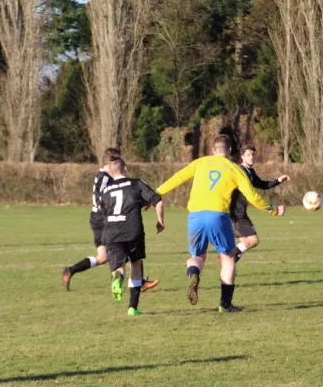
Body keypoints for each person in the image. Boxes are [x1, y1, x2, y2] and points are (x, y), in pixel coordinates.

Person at [156, 135, 285, 313]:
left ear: (212, 150)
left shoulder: (200, 162)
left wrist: (155, 194)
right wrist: (273, 210)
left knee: (198, 257)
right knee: (228, 257)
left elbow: (177, 178)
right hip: (218, 215)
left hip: (195, 215)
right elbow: (253, 197)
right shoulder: (235, 170)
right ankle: (225, 304)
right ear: (230, 151)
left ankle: (193, 274)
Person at [61, 148, 159, 292]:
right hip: (103, 218)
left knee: (102, 257)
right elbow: (98, 199)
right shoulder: (105, 176)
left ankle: (70, 270)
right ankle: (138, 281)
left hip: (100, 218)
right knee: (128, 245)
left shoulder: (106, 175)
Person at [99, 157, 165, 316]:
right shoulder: (136, 183)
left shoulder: (105, 190)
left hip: (111, 232)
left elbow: (103, 208)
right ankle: (132, 308)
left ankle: (117, 277)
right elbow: (158, 201)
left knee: (118, 266)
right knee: (135, 265)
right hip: (132, 231)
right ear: (125, 168)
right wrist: (160, 221)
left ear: (111, 173)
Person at [229, 145, 290, 263]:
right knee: (253, 241)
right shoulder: (241, 171)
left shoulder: (249, 171)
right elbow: (253, 197)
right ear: (242, 157)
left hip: (238, 212)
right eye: (248, 155)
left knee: (246, 243)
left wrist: (278, 180)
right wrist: (274, 210)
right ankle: (227, 260)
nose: (251, 157)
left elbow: (262, 185)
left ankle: (229, 265)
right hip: (236, 213)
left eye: (252, 154)